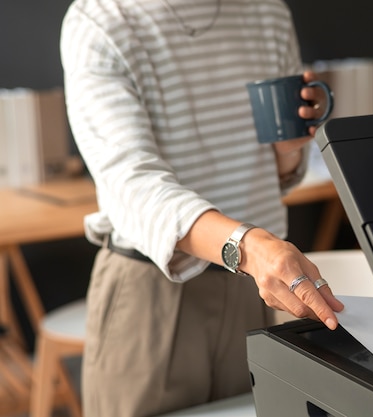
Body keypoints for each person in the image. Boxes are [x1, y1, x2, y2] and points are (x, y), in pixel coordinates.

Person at [59, 0, 344, 416]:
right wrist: (248, 244)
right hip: (152, 293)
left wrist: (287, 151)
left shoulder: (267, 12)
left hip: (254, 289)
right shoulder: (102, 20)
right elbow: (131, 183)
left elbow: (275, 169)